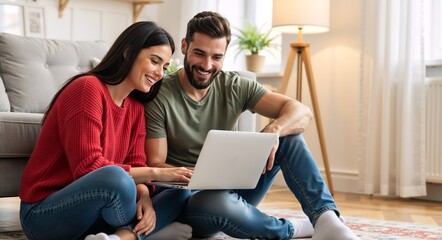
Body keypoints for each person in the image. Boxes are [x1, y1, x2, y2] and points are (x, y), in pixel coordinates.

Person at [144, 11, 360, 240]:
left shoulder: (234, 86)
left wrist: (274, 130)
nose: (207, 65)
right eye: (200, 54)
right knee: (217, 202)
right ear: (185, 46)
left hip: (235, 187)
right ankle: (293, 229)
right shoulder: (160, 94)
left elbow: (301, 112)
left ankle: (326, 219)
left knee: (289, 138)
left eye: (216, 57)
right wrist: (198, 177)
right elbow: (155, 163)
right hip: (192, 201)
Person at [19, 21, 194, 240]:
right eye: (154, 61)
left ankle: (121, 238)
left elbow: (136, 163)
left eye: (165, 66)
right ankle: (146, 234)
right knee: (117, 179)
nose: (160, 73)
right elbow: (89, 168)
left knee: (178, 192)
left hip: (93, 213)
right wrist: (157, 172)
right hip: (44, 215)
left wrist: (145, 198)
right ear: (128, 52)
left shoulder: (136, 107)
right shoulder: (87, 88)